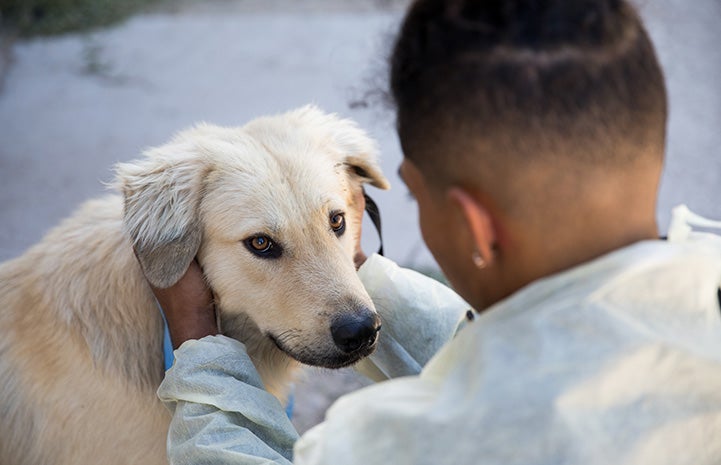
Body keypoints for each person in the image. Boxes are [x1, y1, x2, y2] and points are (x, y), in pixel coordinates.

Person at [150, 0, 721, 463]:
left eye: (416, 197)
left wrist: (199, 344)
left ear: (472, 224)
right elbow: (544, 343)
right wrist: (339, 262)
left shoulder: (417, 441)